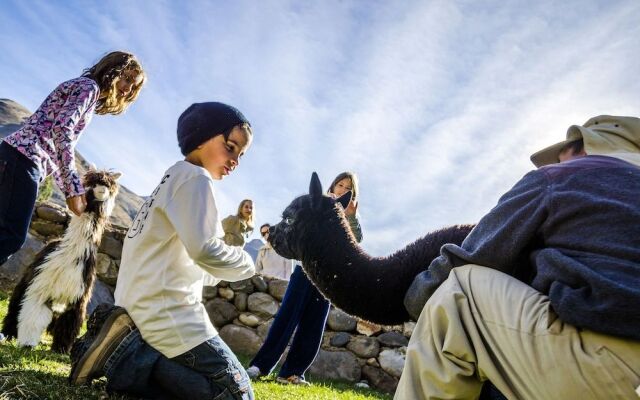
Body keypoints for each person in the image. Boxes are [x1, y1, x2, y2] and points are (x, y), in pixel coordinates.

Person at [398, 115, 640, 399]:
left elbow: (477, 254)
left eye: (565, 150)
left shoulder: (563, 175)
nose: (558, 159)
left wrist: (414, 301)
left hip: (605, 367)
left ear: (585, 146)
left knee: (459, 290)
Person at [68, 102, 256, 400]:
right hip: (168, 314)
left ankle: (125, 357)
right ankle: (124, 356)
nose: (235, 160)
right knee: (238, 394)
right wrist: (247, 264)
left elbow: (195, 263)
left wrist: (214, 271)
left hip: (138, 311)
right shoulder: (197, 180)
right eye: (230, 147)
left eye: (240, 155)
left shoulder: (171, 181)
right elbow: (206, 251)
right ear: (202, 135)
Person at [0, 51, 145, 265]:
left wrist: (74, 192)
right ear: (112, 71)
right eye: (127, 79)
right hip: (23, 160)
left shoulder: (85, 89)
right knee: (11, 237)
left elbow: (55, 150)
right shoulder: (89, 88)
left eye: (134, 87)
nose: (128, 89)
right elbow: (62, 131)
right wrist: (72, 190)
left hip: (15, 157)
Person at [246, 172, 363, 385]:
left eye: (348, 188)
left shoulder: (349, 217)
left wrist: (351, 216)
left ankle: (292, 373)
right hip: (304, 270)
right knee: (286, 316)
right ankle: (260, 365)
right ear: (333, 186)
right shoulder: (314, 204)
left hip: (328, 277)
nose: (343, 190)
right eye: (340, 185)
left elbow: (357, 241)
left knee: (314, 325)